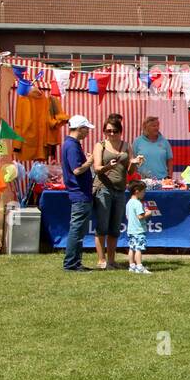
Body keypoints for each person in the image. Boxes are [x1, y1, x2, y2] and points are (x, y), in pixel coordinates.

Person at [91, 113, 142, 270]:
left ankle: (111, 261)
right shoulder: (100, 145)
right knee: (102, 226)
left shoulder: (127, 146)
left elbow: (130, 171)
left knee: (114, 227)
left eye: (114, 131)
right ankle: (101, 260)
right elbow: (97, 168)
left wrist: (135, 163)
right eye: (108, 131)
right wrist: (108, 166)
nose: (111, 134)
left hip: (120, 190)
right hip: (103, 189)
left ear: (120, 131)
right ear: (104, 132)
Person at [61, 115, 96, 272]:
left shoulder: (71, 144)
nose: (88, 132)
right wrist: (90, 161)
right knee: (77, 229)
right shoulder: (72, 145)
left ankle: (75, 262)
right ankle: (71, 263)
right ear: (80, 128)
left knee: (79, 229)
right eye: (86, 129)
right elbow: (77, 170)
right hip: (79, 193)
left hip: (80, 192)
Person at [125, 181, 156, 274]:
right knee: (138, 248)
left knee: (132, 248)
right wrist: (149, 213)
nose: (144, 194)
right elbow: (140, 216)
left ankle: (132, 266)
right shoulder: (138, 203)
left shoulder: (129, 203)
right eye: (143, 191)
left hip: (131, 230)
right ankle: (139, 266)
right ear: (137, 191)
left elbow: (127, 216)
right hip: (138, 230)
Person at [132, 115, 173, 181]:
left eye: (157, 125)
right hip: (143, 181)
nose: (156, 128)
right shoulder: (137, 142)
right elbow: (133, 161)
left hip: (162, 180)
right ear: (146, 127)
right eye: (154, 126)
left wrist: (169, 176)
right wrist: (136, 178)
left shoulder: (164, 142)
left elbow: (170, 160)